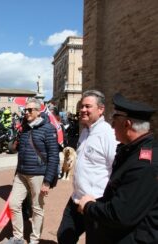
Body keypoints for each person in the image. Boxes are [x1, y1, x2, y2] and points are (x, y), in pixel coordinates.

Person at [77, 93, 157, 243]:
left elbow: (121, 214)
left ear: (127, 124)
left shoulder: (143, 164)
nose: (112, 125)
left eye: (115, 120)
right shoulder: (129, 150)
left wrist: (88, 206)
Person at [57, 90, 118, 244]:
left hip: (96, 201)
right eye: (81, 106)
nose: (82, 109)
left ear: (101, 109)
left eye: (88, 106)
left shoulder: (108, 135)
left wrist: (105, 200)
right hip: (76, 198)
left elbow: (117, 170)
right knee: (64, 236)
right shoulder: (84, 132)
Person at [7, 98, 59, 244]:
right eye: (26, 110)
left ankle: (34, 240)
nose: (27, 113)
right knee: (13, 204)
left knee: (37, 208)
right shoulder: (24, 127)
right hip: (21, 173)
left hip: (38, 174)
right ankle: (18, 237)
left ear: (38, 111)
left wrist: (47, 181)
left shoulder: (48, 129)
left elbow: (54, 156)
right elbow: (20, 151)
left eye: (30, 110)